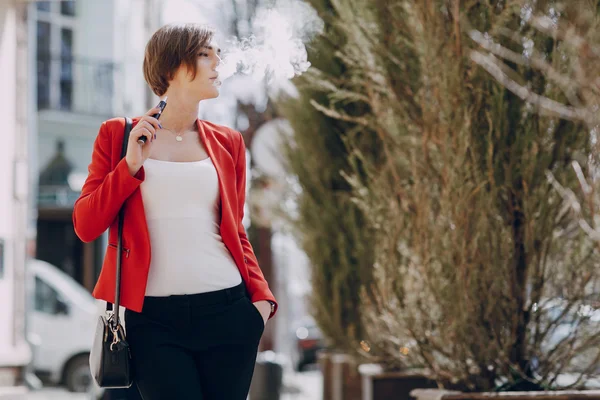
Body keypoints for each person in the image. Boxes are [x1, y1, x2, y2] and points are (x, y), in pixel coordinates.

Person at [73, 23, 277, 399]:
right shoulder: (118, 136)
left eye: (216, 52)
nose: (217, 60)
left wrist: (260, 304)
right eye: (205, 54)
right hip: (152, 321)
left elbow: (236, 231)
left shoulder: (228, 142)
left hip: (229, 313)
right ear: (173, 68)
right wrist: (130, 166)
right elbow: (87, 225)